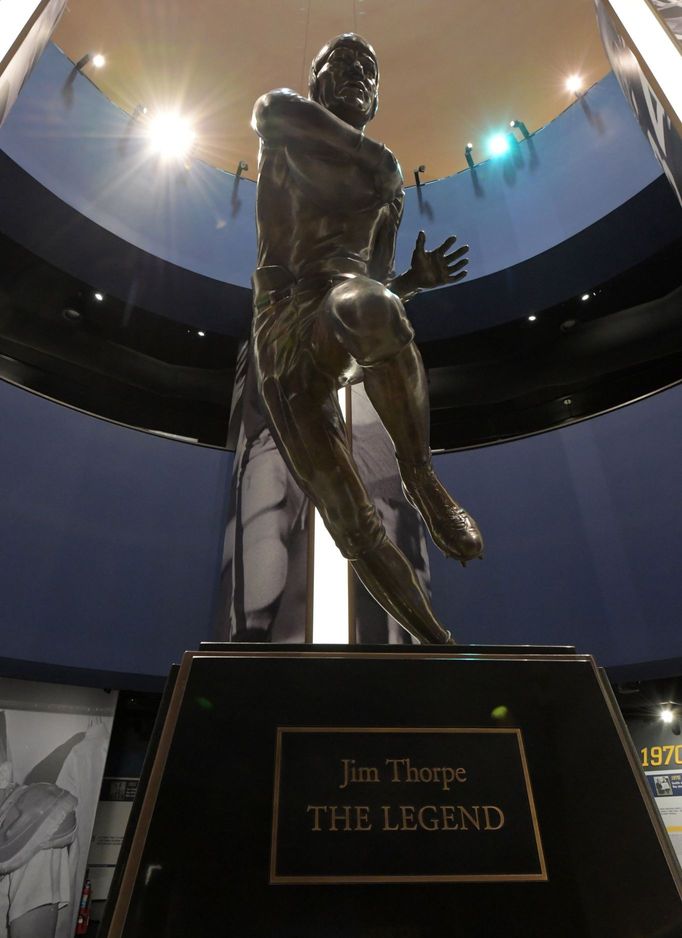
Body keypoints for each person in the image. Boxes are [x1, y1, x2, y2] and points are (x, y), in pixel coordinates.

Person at [250, 33, 482, 644]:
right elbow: (269, 111)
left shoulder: (388, 190)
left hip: (343, 304)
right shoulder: (288, 125)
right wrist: (379, 161)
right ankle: (438, 644)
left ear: (376, 96)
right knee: (348, 519)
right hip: (281, 319)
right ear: (317, 81)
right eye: (342, 64)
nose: (356, 74)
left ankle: (420, 474)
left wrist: (412, 283)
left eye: (367, 70)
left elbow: (374, 289)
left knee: (372, 305)